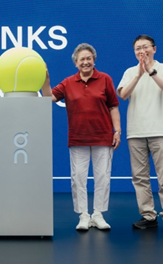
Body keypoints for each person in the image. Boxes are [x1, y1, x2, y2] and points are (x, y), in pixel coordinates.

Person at [42, 43, 121, 231]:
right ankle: (84, 215)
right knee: (78, 178)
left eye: (89, 58)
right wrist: (46, 79)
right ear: (76, 63)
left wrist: (117, 130)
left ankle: (98, 214)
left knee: (103, 177)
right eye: (82, 59)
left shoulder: (105, 79)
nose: (86, 62)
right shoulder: (68, 82)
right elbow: (48, 97)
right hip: (78, 138)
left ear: (94, 60)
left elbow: (113, 106)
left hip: (103, 137)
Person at [117, 35, 163, 234]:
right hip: (135, 132)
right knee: (140, 177)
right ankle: (148, 216)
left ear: (154, 49)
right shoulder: (129, 72)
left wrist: (151, 71)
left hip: (160, 130)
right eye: (137, 48)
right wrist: (138, 74)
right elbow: (123, 95)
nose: (141, 51)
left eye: (145, 47)